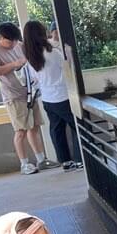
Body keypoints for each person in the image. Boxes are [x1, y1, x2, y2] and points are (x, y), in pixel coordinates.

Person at [0, 22, 60, 176]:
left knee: (34, 126)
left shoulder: (19, 45)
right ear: (0, 37)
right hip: (13, 96)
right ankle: (24, 164)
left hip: (30, 92)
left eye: (15, 40)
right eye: (9, 41)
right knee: (20, 131)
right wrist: (14, 64)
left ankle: (41, 159)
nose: (13, 44)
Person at [23, 20, 83, 171]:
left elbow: (34, 78)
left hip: (47, 98)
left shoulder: (30, 56)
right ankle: (79, 159)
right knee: (76, 125)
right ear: (42, 33)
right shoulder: (52, 52)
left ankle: (65, 161)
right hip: (62, 95)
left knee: (56, 130)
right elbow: (67, 69)